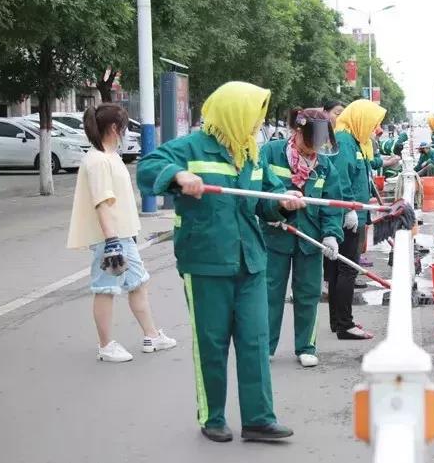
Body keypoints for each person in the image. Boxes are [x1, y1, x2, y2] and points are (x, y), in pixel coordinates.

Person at [137, 81, 305, 443]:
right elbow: (149, 168)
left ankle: (259, 419)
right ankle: (212, 416)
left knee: (255, 340)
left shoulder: (252, 154)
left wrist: (283, 200)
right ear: (232, 113)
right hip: (206, 263)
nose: (255, 125)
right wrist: (179, 176)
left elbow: (266, 196)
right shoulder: (191, 148)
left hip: (251, 262)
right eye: (251, 116)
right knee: (212, 343)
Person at [67, 104, 177, 363]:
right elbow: (102, 204)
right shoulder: (98, 161)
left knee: (138, 283)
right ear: (115, 128)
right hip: (111, 239)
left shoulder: (110, 156)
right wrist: (112, 242)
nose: (127, 133)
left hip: (123, 236)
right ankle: (105, 345)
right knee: (105, 289)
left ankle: (151, 334)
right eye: (125, 127)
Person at [260, 108, 344, 368]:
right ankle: (265, 347)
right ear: (296, 132)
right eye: (309, 144)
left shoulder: (325, 165)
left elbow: (332, 204)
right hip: (276, 235)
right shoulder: (271, 153)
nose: (313, 151)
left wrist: (331, 235)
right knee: (269, 293)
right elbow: (259, 189)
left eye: (318, 145)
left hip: (310, 239)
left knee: (308, 294)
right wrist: (273, 210)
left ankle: (306, 346)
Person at [326, 99, 387, 340]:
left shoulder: (354, 141)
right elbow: (340, 179)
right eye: (372, 122)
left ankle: (337, 321)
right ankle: (345, 324)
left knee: (339, 269)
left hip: (355, 212)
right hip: (346, 216)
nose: (374, 128)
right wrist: (350, 207)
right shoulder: (344, 141)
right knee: (347, 269)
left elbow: (359, 176)